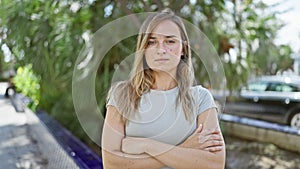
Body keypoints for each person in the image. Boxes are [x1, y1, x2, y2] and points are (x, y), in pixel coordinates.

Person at [102, 9, 225, 169]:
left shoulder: (201, 98)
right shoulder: (122, 95)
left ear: (183, 49)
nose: (161, 50)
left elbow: (214, 164)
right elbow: (112, 164)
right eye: (152, 42)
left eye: (170, 41)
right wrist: (186, 148)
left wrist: (146, 145)